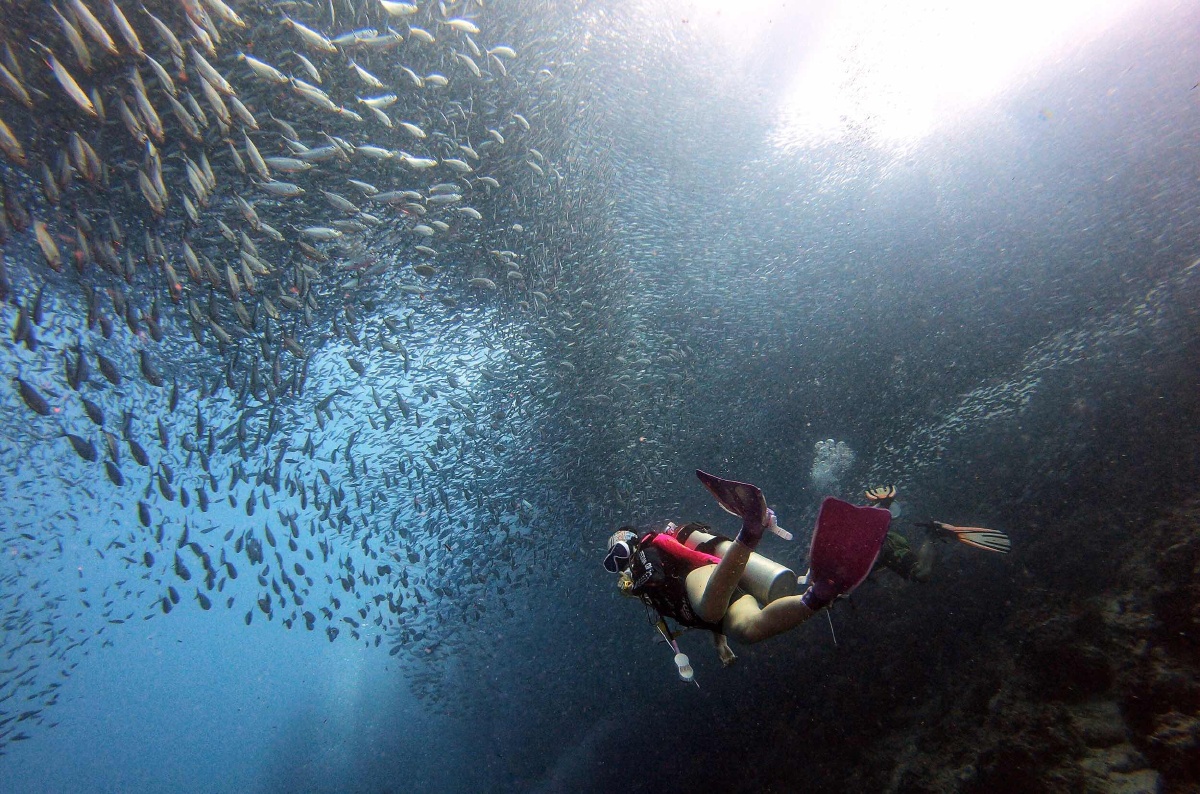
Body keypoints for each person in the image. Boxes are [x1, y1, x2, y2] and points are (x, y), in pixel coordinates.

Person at [604, 472, 1010, 677]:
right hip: (718, 581)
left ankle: (751, 531)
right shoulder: (644, 592)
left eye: (618, 553)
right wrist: (719, 642)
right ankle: (820, 591)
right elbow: (678, 616)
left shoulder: (650, 555)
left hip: (708, 574)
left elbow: (688, 582)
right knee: (750, 628)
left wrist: (640, 556)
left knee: (713, 608)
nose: (619, 564)